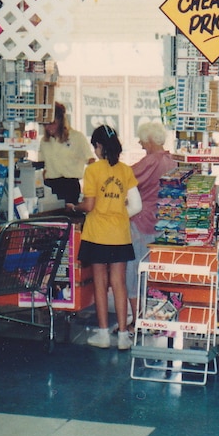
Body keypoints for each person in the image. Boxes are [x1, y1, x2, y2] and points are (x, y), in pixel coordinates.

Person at [67, 125, 141, 350]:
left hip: (97, 233)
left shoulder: (92, 171)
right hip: (119, 234)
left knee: (100, 283)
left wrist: (74, 207)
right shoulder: (125, 170)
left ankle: (102, 334)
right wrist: (118, 216)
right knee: (119, 284)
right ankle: (122, 337)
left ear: (98, 146)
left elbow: (89, 205)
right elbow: (136, 206)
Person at [125, 121, 178, 333]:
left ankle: (138, 320)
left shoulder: (150, 161)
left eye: (141, 139)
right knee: (154, 270)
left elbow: (125, 178)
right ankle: (154, 317)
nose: (140, 143)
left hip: (142, 221)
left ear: (149, 139)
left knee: (134, 269)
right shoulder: (170, 160)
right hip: (164, 221)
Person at [38, 102, 94, 204]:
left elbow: (91, 160)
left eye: (52, 123)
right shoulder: (44, 141)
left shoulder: (77, 137)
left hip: (69, 186)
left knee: (68, 218)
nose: (48, 128)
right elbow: (41, 164)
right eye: (45, 124)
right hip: (50, 186)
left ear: (60, 121)